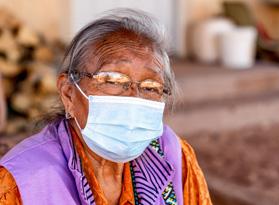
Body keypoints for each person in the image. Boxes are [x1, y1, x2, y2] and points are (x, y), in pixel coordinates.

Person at [0, 9, 212, 205]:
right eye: (112, 80)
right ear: (68, 93)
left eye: (151, 86)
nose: (134, 98)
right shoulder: (22, 181)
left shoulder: (174, 156)